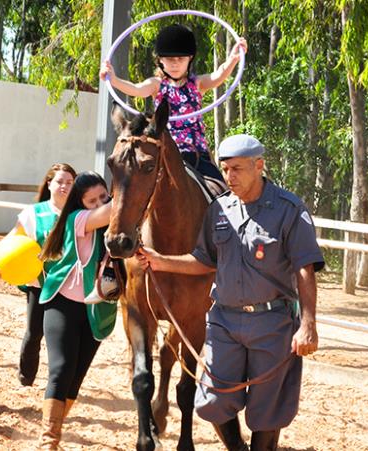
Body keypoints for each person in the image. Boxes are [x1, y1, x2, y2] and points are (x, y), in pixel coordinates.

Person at [136, 134, 324, 451]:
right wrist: (160, 261)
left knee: (267, 414)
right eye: (225, 169)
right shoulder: (219, 210)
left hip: (272, 323)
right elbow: (203, 260)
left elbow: (305, 268)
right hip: (223, 322)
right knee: (210, 403)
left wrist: (308, 324)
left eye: (236, 169)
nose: (229, 177)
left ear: (259, 165)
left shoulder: (289, 210)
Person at [100, 24, 247, 182]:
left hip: (196, 153)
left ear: (189, 59)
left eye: (181, 59)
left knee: (220, 188)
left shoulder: (196, 83)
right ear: (160, 60)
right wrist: (113, 80)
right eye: (170, 59)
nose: (175, 63)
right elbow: (136, 89)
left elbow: (218, 75)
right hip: (166, 151)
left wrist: (233, 58)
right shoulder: (156, 84)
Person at [36, 171, 113, 450]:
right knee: (61, 369)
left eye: (103, 196)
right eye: (91, 200)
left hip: (96, 310)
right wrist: (135, 187)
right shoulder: (77, 219)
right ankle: (48, 443)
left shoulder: (119, 228)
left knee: (76, 377)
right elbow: (107, 213)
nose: (99, 203)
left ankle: (52, 430)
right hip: (63, 303)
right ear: (81, 205)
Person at [8, 163, 76, 387]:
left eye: (69, 182)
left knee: (65, 336)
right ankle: (26, 376)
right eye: (59, 181)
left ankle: (59, 380)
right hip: (40, 284)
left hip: (69, 286)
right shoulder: (33, 213)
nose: (64, 186)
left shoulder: (80, 214)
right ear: (49, 184)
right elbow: (14, 238)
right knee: (35, 332)